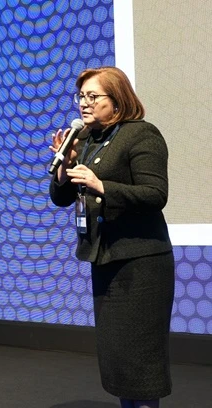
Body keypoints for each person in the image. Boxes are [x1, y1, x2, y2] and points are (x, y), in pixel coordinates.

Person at [49, 67, 174, 408]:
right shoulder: (86, 140)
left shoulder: (142, 134)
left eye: (93, 96)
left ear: (117, 99)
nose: (84, 103)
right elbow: (61, 198)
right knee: (118, 359)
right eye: (81, 96)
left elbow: (155, 194)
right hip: (104, 260)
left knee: (140, 363)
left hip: (140, 264)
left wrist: (101, 185)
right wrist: (65, 168)